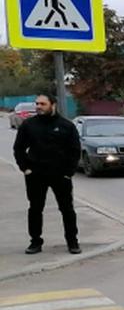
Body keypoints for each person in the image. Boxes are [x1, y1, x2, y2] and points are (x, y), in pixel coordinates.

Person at [13, 92, 81, 255]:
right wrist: (26, 169)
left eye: (42, 104)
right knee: (35, 208)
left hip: (60, 174)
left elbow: (74, 151)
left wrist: (69, 172)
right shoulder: (29, 125)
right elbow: (19, 148)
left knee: (67, 209)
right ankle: (35, 242)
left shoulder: (66, 126)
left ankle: (72, 242)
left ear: (53, 105)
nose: (38, 107)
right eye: (37, 104)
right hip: (36, 174)